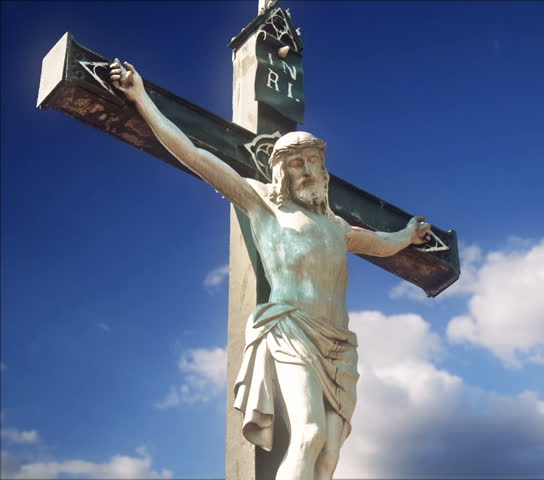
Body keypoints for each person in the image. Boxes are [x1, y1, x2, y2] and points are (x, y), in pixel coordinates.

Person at [109, 59, 431, 480]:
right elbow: (194, 153)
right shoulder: (264, 206)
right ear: (279, 170)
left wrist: (407, 235)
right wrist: (142, 99)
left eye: (313, 161)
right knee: (309, 433)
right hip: (291, 329)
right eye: (296, 162)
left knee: (331, 452)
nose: (307, 170)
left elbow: (385, 244)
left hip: (339, 344)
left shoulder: (337, 228)